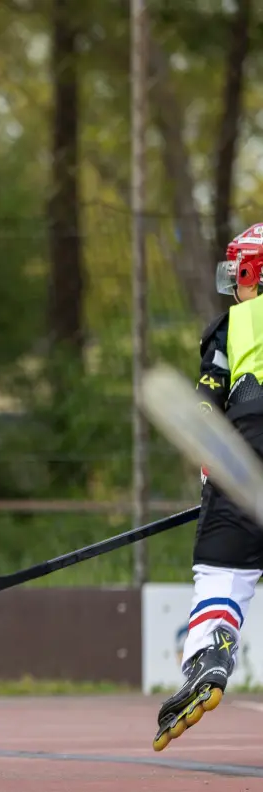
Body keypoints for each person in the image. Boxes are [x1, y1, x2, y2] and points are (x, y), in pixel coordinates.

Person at [154, 224, 263, 750]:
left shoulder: (231, 326)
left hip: (250, 447)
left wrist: (211, 472)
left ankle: (210, 654)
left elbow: (206, 410)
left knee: (224, 573)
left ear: (251, 274)